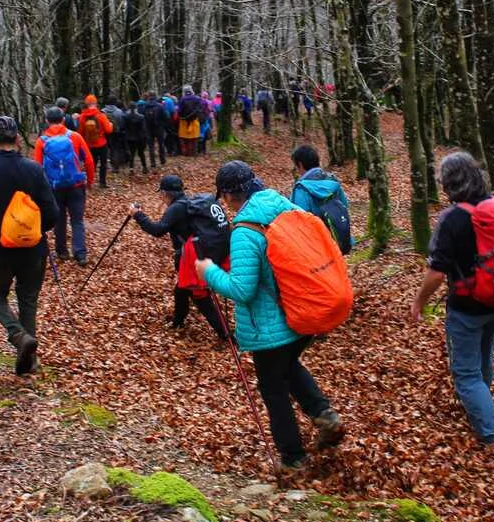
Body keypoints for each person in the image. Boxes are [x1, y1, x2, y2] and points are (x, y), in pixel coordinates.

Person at [196, 161, 344, 470]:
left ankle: (293, 458)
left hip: (269, 328)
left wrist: (208, 272)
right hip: (302, 313)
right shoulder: (285, 207)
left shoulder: (245, 230)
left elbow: (242, 289)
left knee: (273, 389)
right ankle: (324, 414)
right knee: (288, 367)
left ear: (228, 195)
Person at [410, 150, 494, 445]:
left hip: (467, 308)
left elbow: (437, 273)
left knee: (466, 373)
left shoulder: (453, 218)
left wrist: (419, 301)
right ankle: (481, 408)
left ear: (449, 184)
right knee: (482, 359)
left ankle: (491, 432)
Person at [0, 116, 59, 376]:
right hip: (33, 249)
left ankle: (18, 336)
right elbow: (52, 214)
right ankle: (30, 360)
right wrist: (33, 230)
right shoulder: (34, 169)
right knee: (27, 300)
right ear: (17, 139)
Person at [130, 175, 230, 341]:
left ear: (164, 193)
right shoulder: (188, 202)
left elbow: (157, 230)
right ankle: (178, 321)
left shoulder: (176, 208)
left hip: (193, 258)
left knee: (200, 297)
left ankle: (225, 334)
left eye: (161, 194)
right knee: (181, 290)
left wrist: (138, 215)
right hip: (201, 252)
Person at [34, 107, 95, 266]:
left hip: (54, 188)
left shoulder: (42, 141)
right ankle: (80, 254)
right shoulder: (75, 137)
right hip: (76, 184)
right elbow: (89, 161)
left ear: (47, 121)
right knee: (77, 220)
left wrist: (40, 189)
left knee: (59, 219)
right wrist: (90, 181)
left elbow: (37, 167)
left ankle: (62, 252)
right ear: (63, 119)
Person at [290, 145, 352, 252]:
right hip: (337, 239)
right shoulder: (332, 180)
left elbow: (299, 220)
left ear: (300, 164)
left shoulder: (302, 188)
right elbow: (344, 205)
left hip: (316, 246)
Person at [77, 94, 114, 188]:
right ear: (96, 103)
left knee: (91, 163)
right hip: (102, 143)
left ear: (86, 104)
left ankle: (90, 182)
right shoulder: (101, 115)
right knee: (103, 164)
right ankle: (102, 182)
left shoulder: (82, 117)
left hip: (89, 145)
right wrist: (111, 124)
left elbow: (80, 132)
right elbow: (108, 130)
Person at [102, 97, 128, 174]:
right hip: (116, 133)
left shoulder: (102, 111)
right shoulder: (119, 111)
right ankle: (115, 167)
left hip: (106, 133)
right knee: (116, 149)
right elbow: (121, 122)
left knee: (108, 148)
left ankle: (108, 163)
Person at [143, 92, 168, 169]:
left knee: (151, 146)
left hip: (148, 128)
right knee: (161, 144)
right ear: (155, 97)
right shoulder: (159, 106)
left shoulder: (145, 106)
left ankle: (152, 163)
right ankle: (162, 160)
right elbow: (165, 116)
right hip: (159, 127)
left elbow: (142, 117)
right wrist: (163, 124)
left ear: (149, 97)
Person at [124, 100, 150, 174]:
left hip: (130, 138)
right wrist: (145, 138)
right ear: (136, 108)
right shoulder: (141, 117)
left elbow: (124, 128)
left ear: (129, 108)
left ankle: (131, 169)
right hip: (139, 138)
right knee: (141, 153)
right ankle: (144, 167)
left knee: (132, 154)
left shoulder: (126, 117)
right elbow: (144, 129)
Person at [176, 85, 202, 157]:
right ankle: (194, 153)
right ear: (191, 90)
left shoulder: (182, 100)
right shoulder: (197, 99)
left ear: (184, 92)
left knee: (184, 139)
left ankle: (185, 154)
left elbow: (179, 111)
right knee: (194, 139)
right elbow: (200, 110)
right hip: (194, 122)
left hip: (184, 122)